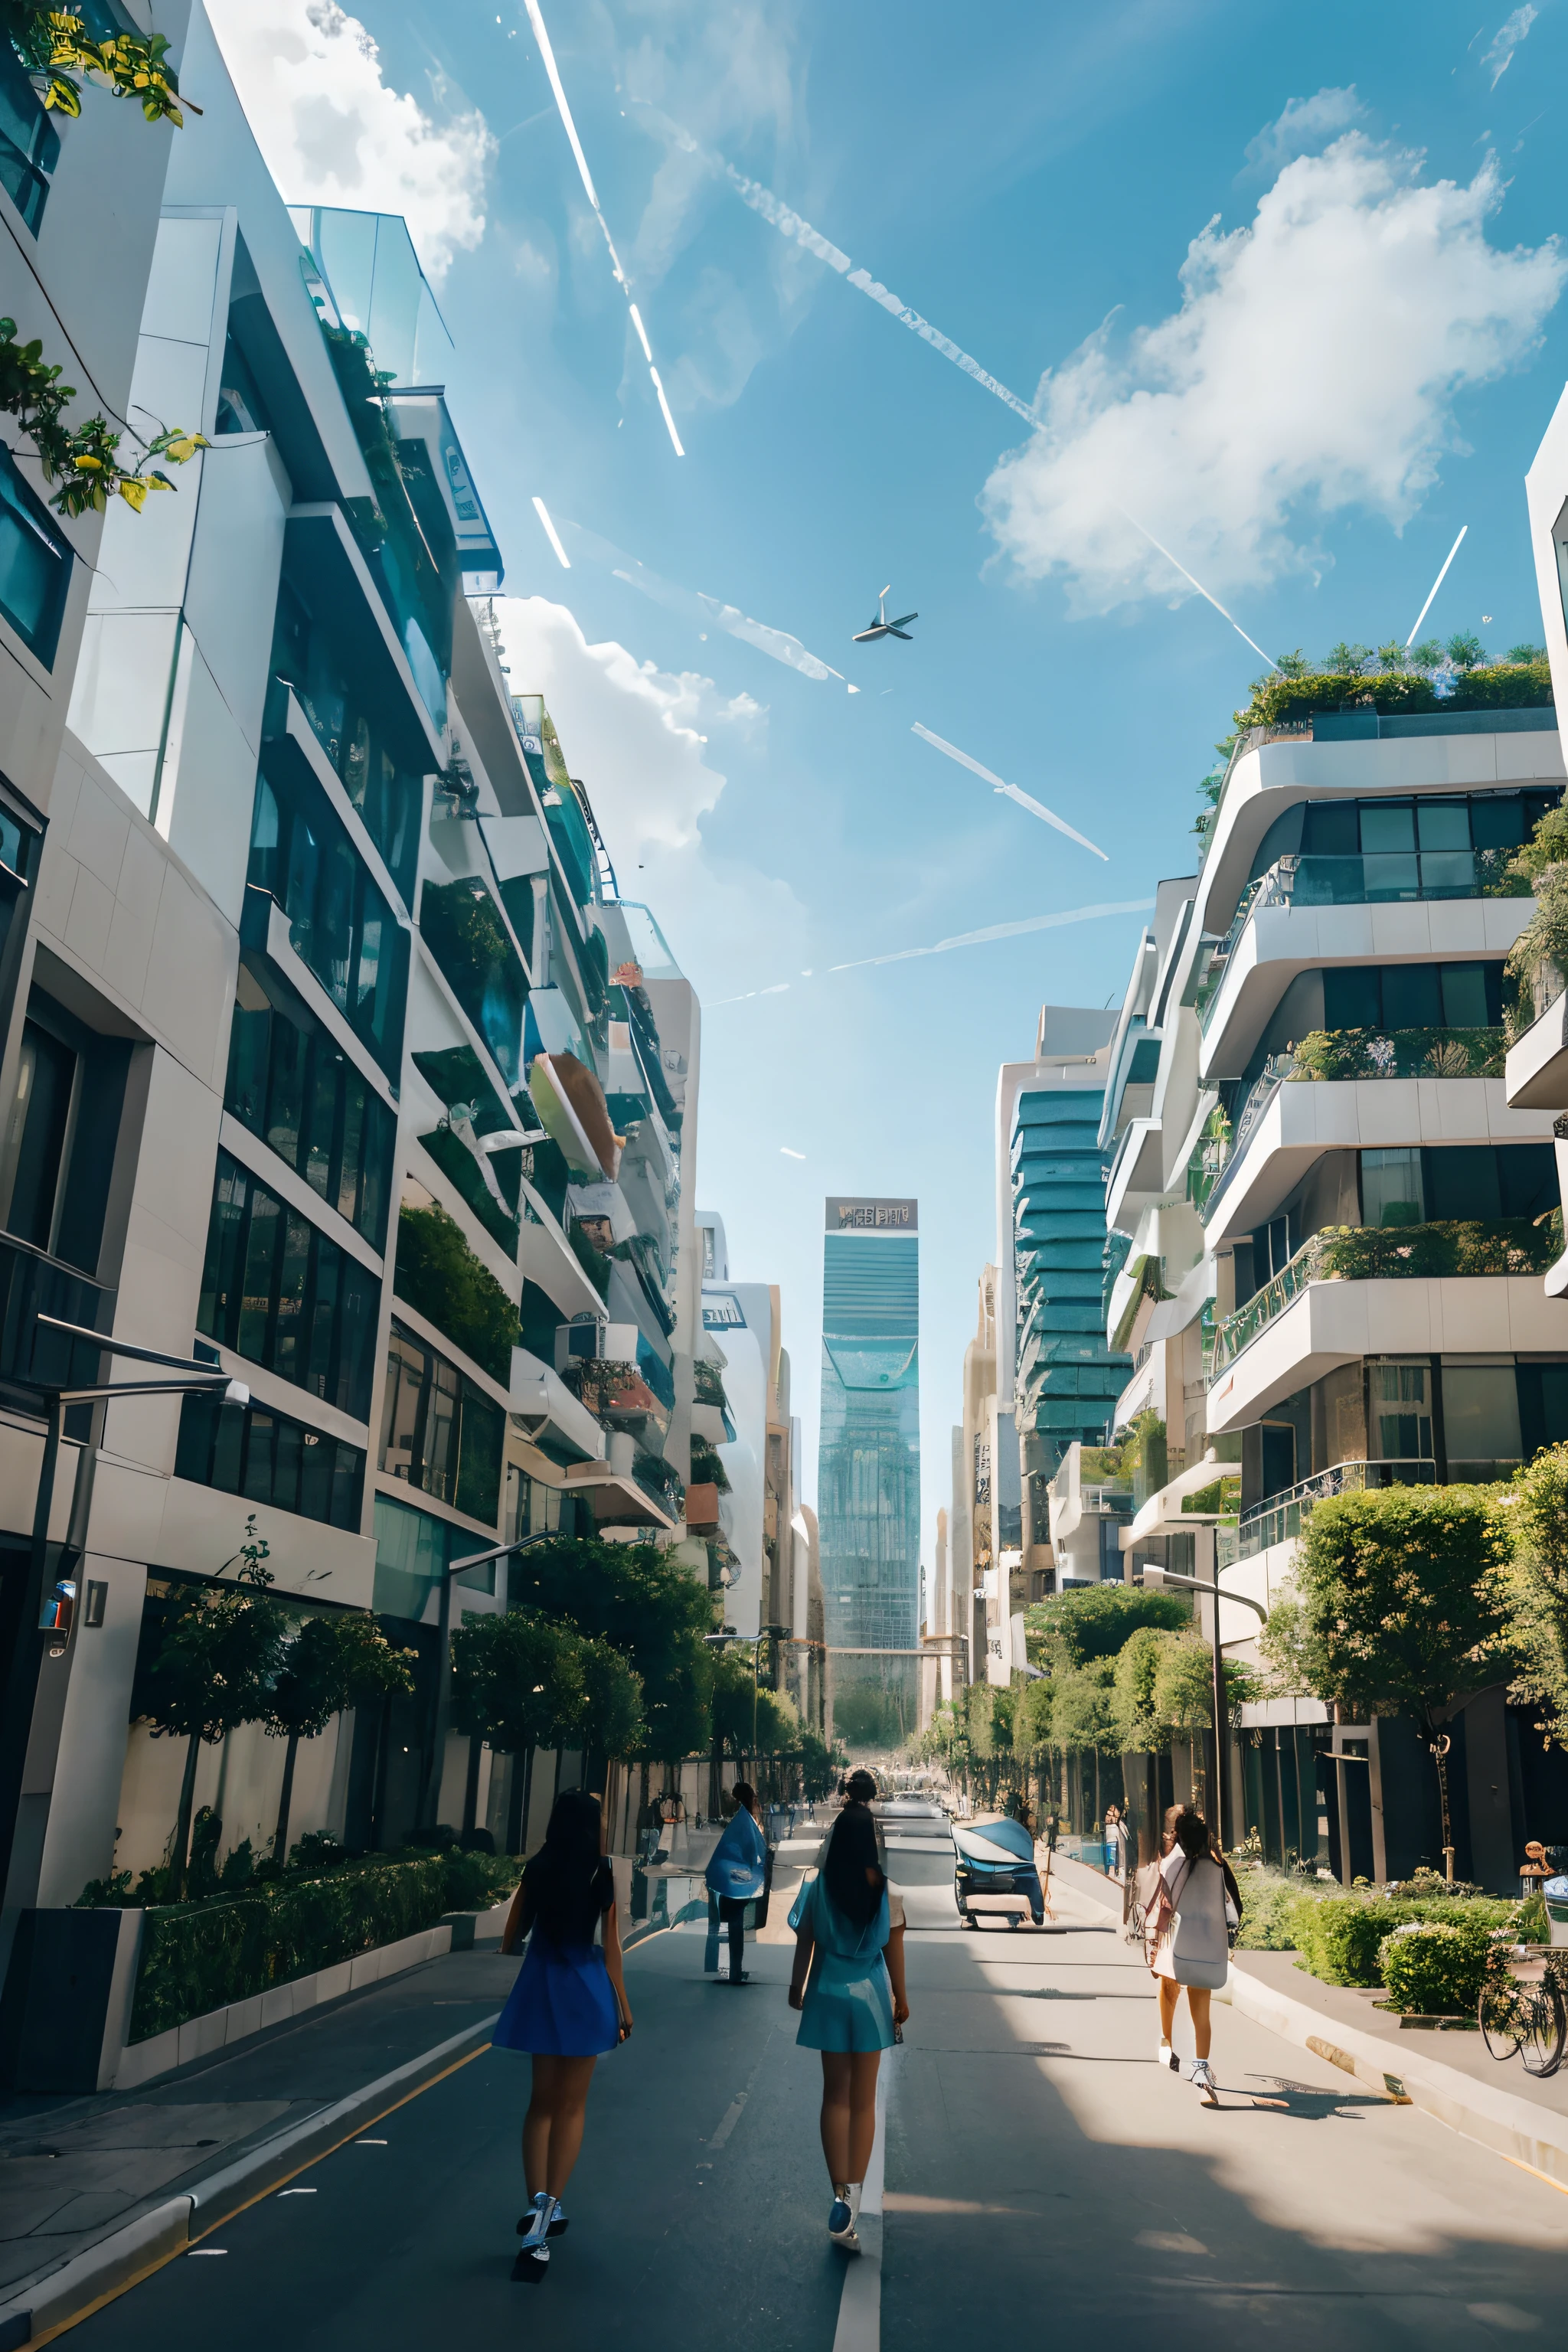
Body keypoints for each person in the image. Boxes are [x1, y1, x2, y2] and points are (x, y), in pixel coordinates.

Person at [495, 1790, 632, 2283]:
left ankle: (536, 2206)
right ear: (592, 1825)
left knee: (541, 2104)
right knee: (572, 2107)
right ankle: (549, 2211)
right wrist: (623, 2003)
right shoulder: (601, 1872)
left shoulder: (537, 1867)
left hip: (540, 1986)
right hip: (586, 1990)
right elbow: (610, 1945)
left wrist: (517, 1944)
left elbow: (511, 1936)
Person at [789, 1785, 910, 2252]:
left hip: (826, 1992)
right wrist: (901, 1998)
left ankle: (837, 2192)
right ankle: (854, 2202)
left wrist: (795, 1988)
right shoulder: (887, 1892)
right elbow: (892, 1948)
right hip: (872, 1996)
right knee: (864, 2103)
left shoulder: (818, 1888)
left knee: (834, 2098)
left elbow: (805, 1940)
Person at [1148, 1805, 1241, 2103]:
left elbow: (1166, 1902)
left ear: (1177, 1836)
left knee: (1166, 1985)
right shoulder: (1218, 1867)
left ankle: (1167, 2044)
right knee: (1202, 2013)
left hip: (1178, 1944)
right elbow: (1234, 1912)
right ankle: (1201, 2069)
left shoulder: (1173, 1865)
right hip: (1208, 1946)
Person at [704, 1781, 768, 1983]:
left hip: (728, 1878)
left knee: (729, 1924)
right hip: (737, 1878)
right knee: (734, 1925)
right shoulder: (746, 1821)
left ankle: (730, 1970)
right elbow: (753, 1853)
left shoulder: (741, 1820)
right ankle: (734, 1971)